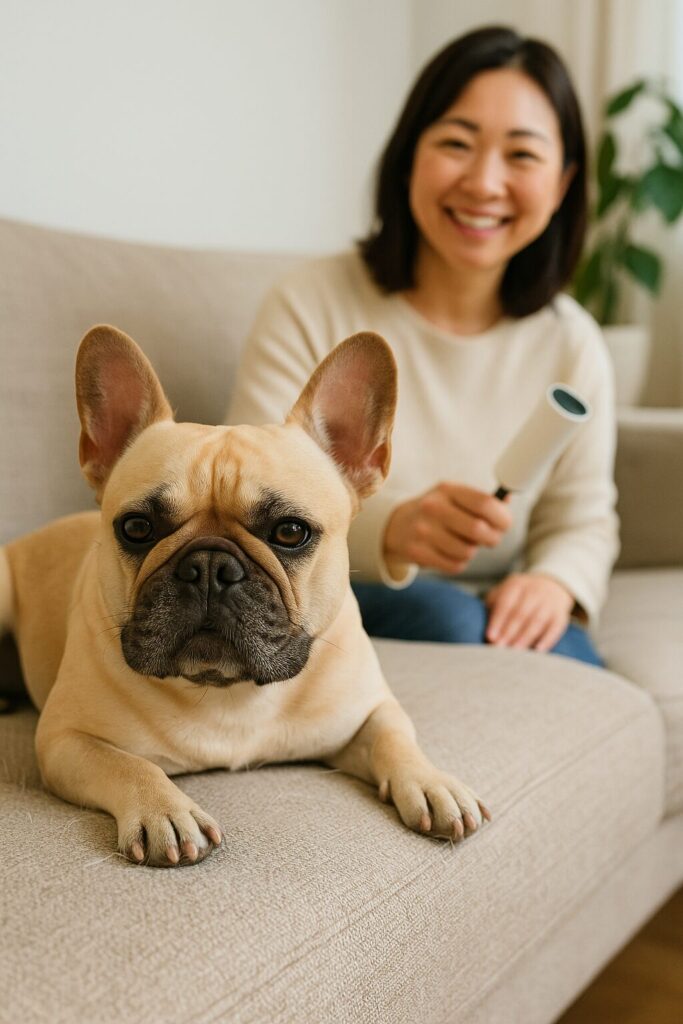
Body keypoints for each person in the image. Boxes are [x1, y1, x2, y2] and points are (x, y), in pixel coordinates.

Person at [226, 25, 619, 667]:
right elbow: (254, 500)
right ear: (410, 155)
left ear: (564, 182)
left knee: (563, 647)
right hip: (330, 590)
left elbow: (582, 519)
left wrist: (555, 582)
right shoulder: (311, 303)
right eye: (457, 144)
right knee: (452, 617)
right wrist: (395, 532)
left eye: (522, 155)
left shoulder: (571, 343)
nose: (485, 182)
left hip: (488, 609)